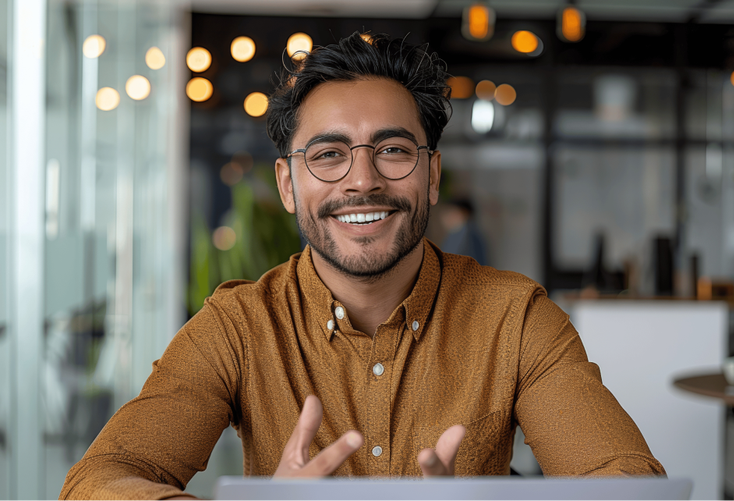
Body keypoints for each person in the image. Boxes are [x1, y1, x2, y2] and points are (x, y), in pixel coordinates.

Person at [60, 32, 665, 500]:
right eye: (328, 155)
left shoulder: (515, 318)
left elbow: (628, 481)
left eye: (394, 150)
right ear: (289, 184)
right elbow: (99, 480)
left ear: (431, 176)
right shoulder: (239, 325)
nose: (363, 179)